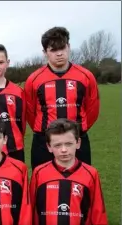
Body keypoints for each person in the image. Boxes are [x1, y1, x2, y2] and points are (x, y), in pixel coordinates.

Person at [24, 26, 100, 170]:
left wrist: (75, 130)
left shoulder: (86, 76)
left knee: (80, 184)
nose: (59, 53)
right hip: (44, 141)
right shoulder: (34, 80)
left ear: (69, 47)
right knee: (42, 184)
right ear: (45, 52)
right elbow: (30, 112)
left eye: (62, 48)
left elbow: (92, 109)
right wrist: (47, 132)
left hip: (77, 139)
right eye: (53, 50)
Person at [30, 118, 107, 225]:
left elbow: (98, 211)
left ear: (78, 143)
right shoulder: (39, 173)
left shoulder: (91, 173)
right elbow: (32, 209)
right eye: (57, 145)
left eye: (69, 144)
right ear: (49, 147)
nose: (64, 150)